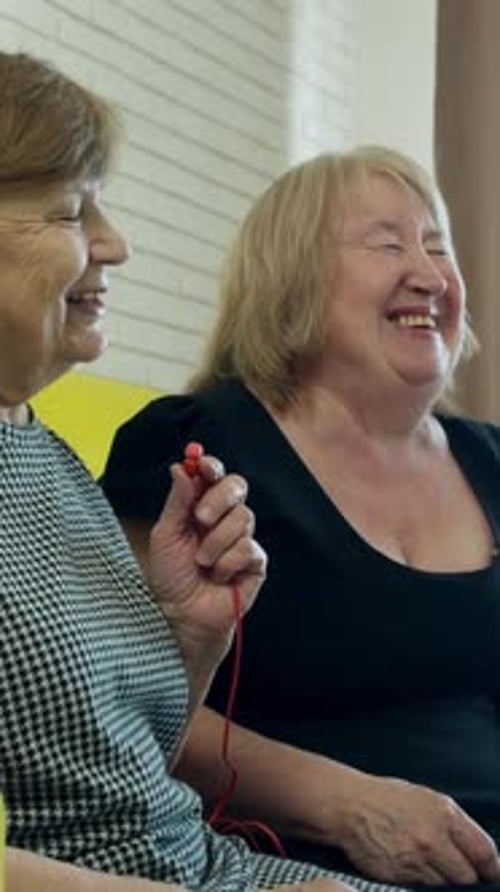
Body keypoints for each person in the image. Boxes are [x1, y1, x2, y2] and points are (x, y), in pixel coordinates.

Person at [0, 52, 396, 892]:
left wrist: (194, 629)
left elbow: (121, 766)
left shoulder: (43, 452)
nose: (116, 243)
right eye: (72, 211)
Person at [101, 145, 500, 890]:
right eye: (388, 244)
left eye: (438, 245)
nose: (431, 273)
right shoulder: (191, 446)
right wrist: (348, 804)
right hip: (298, 861)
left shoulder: (492, 461)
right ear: (294, 278)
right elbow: (114, 706)